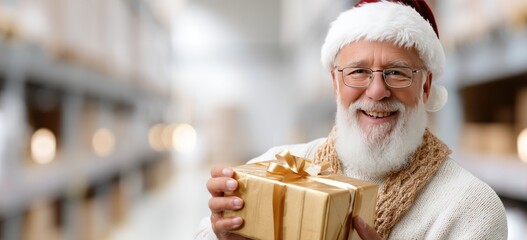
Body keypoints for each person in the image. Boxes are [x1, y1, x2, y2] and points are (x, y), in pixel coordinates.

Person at [196, 0, 508, 239]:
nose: (376, 91)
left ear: (425, 86)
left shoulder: (471, 209)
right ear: (335, 84)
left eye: (397, 73)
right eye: (358, 71)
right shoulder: (279, 167)